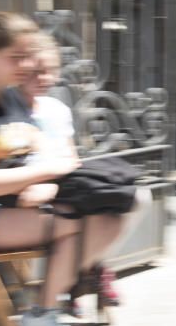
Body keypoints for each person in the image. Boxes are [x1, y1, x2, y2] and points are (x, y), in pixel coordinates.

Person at [0, 13, 137, 326]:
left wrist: (50, 181)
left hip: (24, 206)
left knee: (109, 219)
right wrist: (49, 173)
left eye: (29, 56)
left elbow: (37, 153)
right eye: (17, 57)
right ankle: (43, 310)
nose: (27, 65)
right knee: (87, 223)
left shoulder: (12, 98)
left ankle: (42, 308)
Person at [18, 34, 127, 308]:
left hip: (64, 183)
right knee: (93, 215)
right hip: (33, 188)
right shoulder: (9, 109)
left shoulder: (57, 108)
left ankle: (81, 272)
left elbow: (71, 155)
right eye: (36, 71)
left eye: (50, 71)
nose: (44, 78)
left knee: (126, 198)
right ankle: (83, 275)